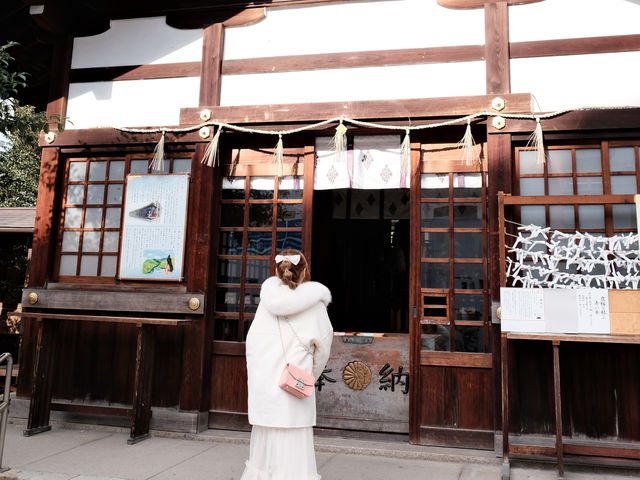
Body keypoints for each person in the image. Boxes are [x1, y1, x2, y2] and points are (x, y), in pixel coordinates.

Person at [241, 249, 333, 480]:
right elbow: (322, 350)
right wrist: (305, 375)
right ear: (304, 273)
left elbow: (252, 344)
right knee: (295, 450)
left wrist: (262, 375)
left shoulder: (266, 303)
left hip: (266, 391)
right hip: (293, 390)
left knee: (264, 451)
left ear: (277, 271)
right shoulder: (315, 305)